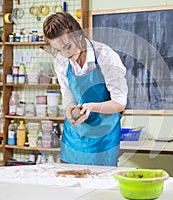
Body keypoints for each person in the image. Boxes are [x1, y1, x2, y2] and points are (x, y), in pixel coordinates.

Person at [42, 12, 128, 166]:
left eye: (67, 47)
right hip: (74, 137)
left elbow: (119, 102)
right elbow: (68, 98)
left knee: (100, 185)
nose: (64, 54)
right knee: (68, 183)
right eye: (58, 50)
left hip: (103, 137)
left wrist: (91, 107)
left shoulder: (106, 57)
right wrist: (69, 110)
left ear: (79, 37)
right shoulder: (61, 61)